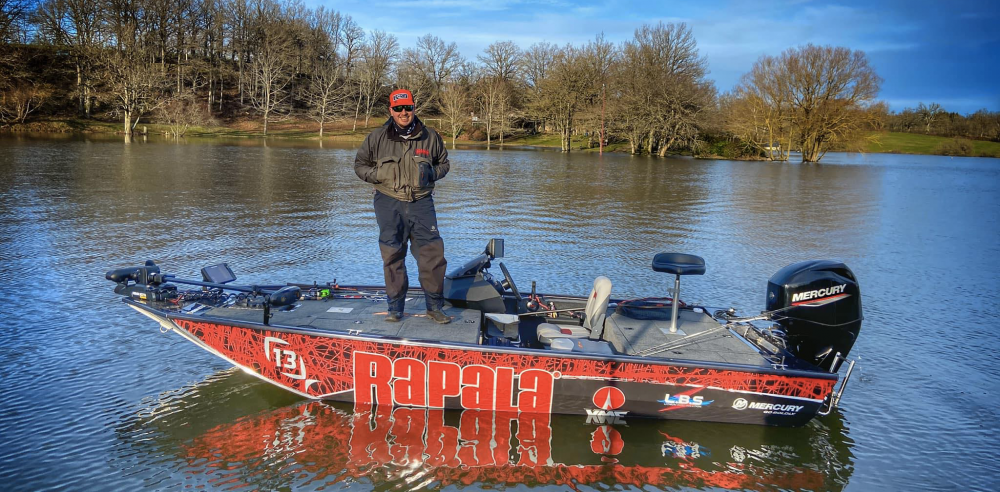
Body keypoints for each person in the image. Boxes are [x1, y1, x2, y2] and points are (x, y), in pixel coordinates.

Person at [354, 89, 451, 324]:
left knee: (432, 255)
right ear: (391, 110)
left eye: (407, 108)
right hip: (388, 202)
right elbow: (359, 165)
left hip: (421, 203)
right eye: (398, 109)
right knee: (392, 254)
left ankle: (434, 307)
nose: (403, 112)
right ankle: (395, 308)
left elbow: (444, 164)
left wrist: (431, 174)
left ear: (414, 108)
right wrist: (378, 175)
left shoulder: (430, 136)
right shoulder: (377, 137)